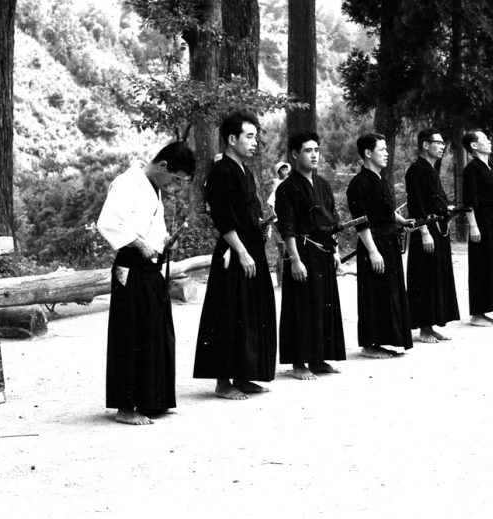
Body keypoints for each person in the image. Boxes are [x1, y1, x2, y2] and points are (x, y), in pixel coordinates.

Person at [96, 141, 196, 425]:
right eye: (175, 179)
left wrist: (161, 241)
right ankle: (125, 407)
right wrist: (140, 245)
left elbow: (153, 227)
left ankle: (153, 399)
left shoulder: (152, 187)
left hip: (152, 267)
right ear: (163, 166)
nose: (174, 186)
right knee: (131, 332)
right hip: (131, 264)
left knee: (155, 330)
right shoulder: (129, 182)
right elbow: (108, 223)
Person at [193, 110, 277, 399]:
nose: (255, 142)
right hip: (234, 251)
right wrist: (241, 251)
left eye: (256, 136)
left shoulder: (245, 170)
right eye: (249, 136)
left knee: (250, 312)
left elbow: (248, 212)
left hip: (252, 248)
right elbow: (223, 217)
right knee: (229, 313)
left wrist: (262, 228)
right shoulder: (221, 171)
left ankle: (243, 376)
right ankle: (222, 382)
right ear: (231, 139)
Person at [275, 132, 347, 379]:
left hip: (324, 252)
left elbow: (333, 220)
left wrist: (335, 251)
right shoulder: (287, 188)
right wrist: (294, 259)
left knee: (323, 306)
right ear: (295, 154)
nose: (314, 154)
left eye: (316, 149)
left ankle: (319, 359)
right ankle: (298, 363)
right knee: (301, 308)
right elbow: (287, 227)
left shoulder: (323, 184)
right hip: (302, 252)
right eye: (308, 150)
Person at [346, 133, 414, 358]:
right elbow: (362, 221)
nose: (386, 153)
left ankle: (388, 340)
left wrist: (401, 221)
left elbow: (384, 210)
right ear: (368, 153)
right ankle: (369, 345)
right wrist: (372, 250)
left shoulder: (380, 179)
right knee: (374, 294)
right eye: (382, 149)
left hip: (389, 241)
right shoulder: (358, 183)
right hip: (373, 244)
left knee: (390, 292)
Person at [405, 128, 460, 343]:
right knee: (425, 277)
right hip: (426, 230)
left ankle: (433, 324)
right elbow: (416, 204)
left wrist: (448, 211)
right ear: (425, 145)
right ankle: (424, 328)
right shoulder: (416, 170)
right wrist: (424, 232)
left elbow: (435, 200)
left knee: (438, 276)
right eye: (437, 142)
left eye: (443, 142)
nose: (442, 146)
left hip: (439, 228)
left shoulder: (431, 169)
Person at [462, 129, 493, 326]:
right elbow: (469, 200)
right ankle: (476, 314)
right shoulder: (472, 169)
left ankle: (485, 311)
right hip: (481, 223)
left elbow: (489, 192)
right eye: (484, 139)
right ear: (474, 146)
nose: (489, 141)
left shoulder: (488, 167)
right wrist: (473, 227)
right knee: (481, 266)